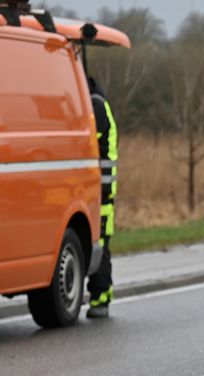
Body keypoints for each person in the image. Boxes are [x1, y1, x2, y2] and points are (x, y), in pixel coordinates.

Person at [87, 76, 117, 318]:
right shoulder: (100, 103)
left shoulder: (96, 105)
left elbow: (87, 136)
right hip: (101, 189)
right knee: (100, 240)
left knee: (101, 242)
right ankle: (100, 294)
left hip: (102, 191)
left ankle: (101, 296)